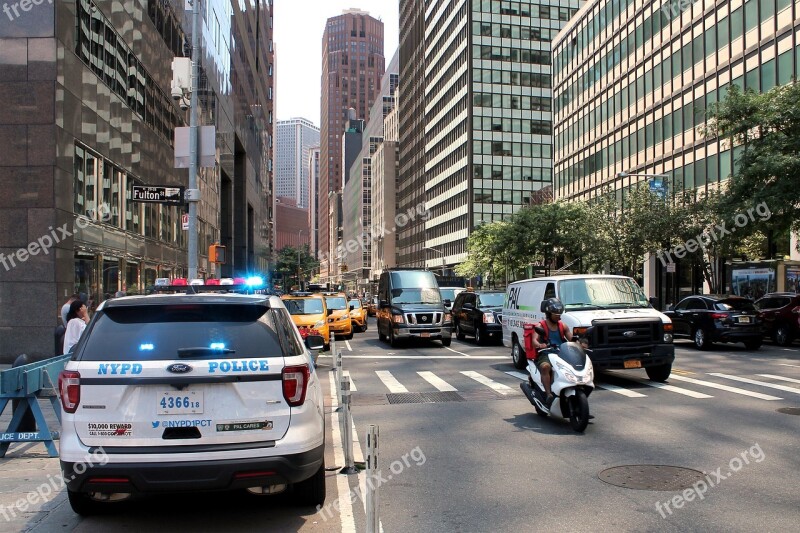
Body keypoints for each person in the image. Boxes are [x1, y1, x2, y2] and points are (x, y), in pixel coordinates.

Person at [531, 298, 572, 409]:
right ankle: (548, 394)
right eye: (556, 314)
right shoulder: (541, 326)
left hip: (561, 353)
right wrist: (540, 345)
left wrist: (580, 341)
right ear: (549, 314)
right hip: (546, 353)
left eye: (559, 314)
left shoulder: (563, 326)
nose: (559, 316)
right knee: (545, 367)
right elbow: (534, 340)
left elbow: (571, 338)